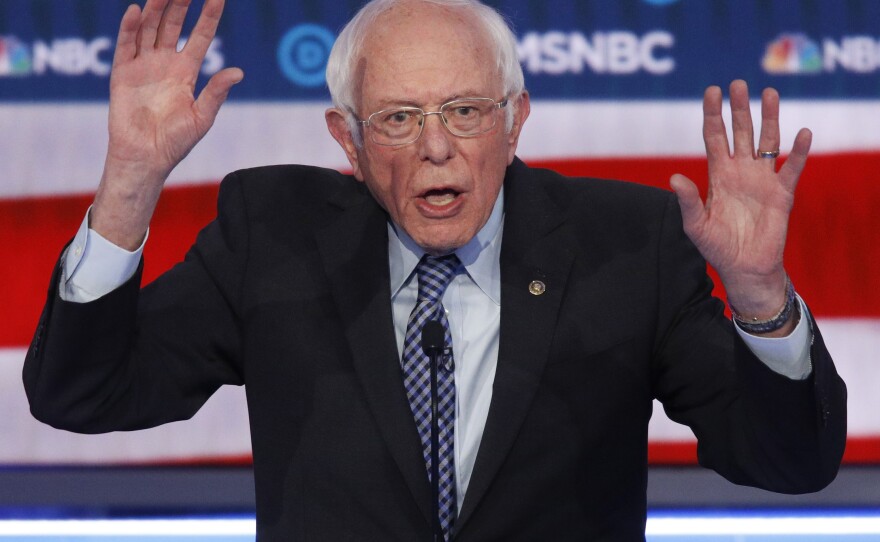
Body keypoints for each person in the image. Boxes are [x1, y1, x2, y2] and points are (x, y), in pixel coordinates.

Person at [24, 0, 846, 540]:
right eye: (398, 117)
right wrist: (130, 183)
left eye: (464, 110)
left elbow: (792, 463)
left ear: (515, 120)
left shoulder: (624, 244)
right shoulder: (272, 233)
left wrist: (762, 298)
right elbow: (83, 393)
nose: (436, 145)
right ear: (345, 139)